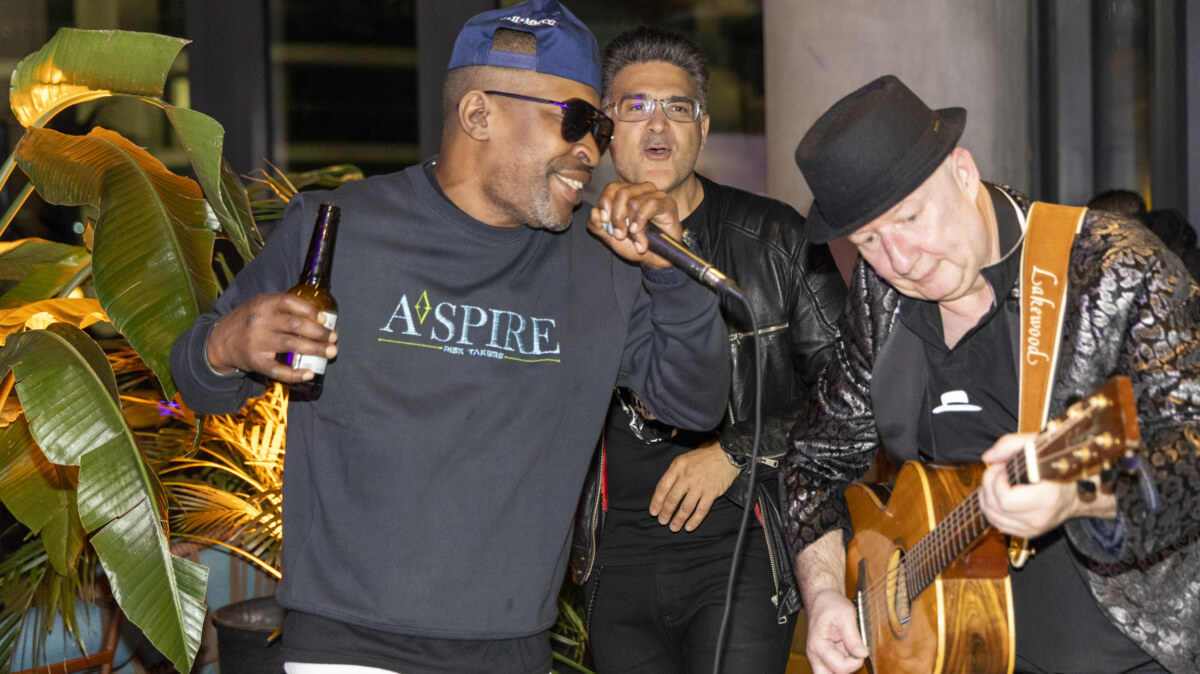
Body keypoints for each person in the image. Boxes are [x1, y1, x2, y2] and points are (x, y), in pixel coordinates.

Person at [169, 2, 732, 672]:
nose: (591, 151)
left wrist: (671, 276)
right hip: (352, 647)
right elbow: (197, 383)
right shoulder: (342, 229)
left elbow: (694, 406)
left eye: (601, 129)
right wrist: (226, 345)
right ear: (478, 114)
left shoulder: (602, 260)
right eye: (576, 121)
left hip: (517, 650)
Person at [780, 74, 1200, 674]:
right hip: (952, 654)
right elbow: (812, 463)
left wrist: (1079, 494)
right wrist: (824, 594)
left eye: (910, 218)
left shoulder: (1111, 268)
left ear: (963, 171)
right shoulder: (881, 296)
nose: (901, 260)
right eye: (868, 240)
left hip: (1133, 657)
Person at [571, 26, 846, 674]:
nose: (657, 124)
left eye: (677, 107)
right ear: (605, 129)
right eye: (635, 106)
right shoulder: (569, 248)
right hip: (613, 556)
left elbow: (853, 390)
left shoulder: (776, 238)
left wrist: (735, 451)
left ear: (702, 128)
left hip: (741, 542)